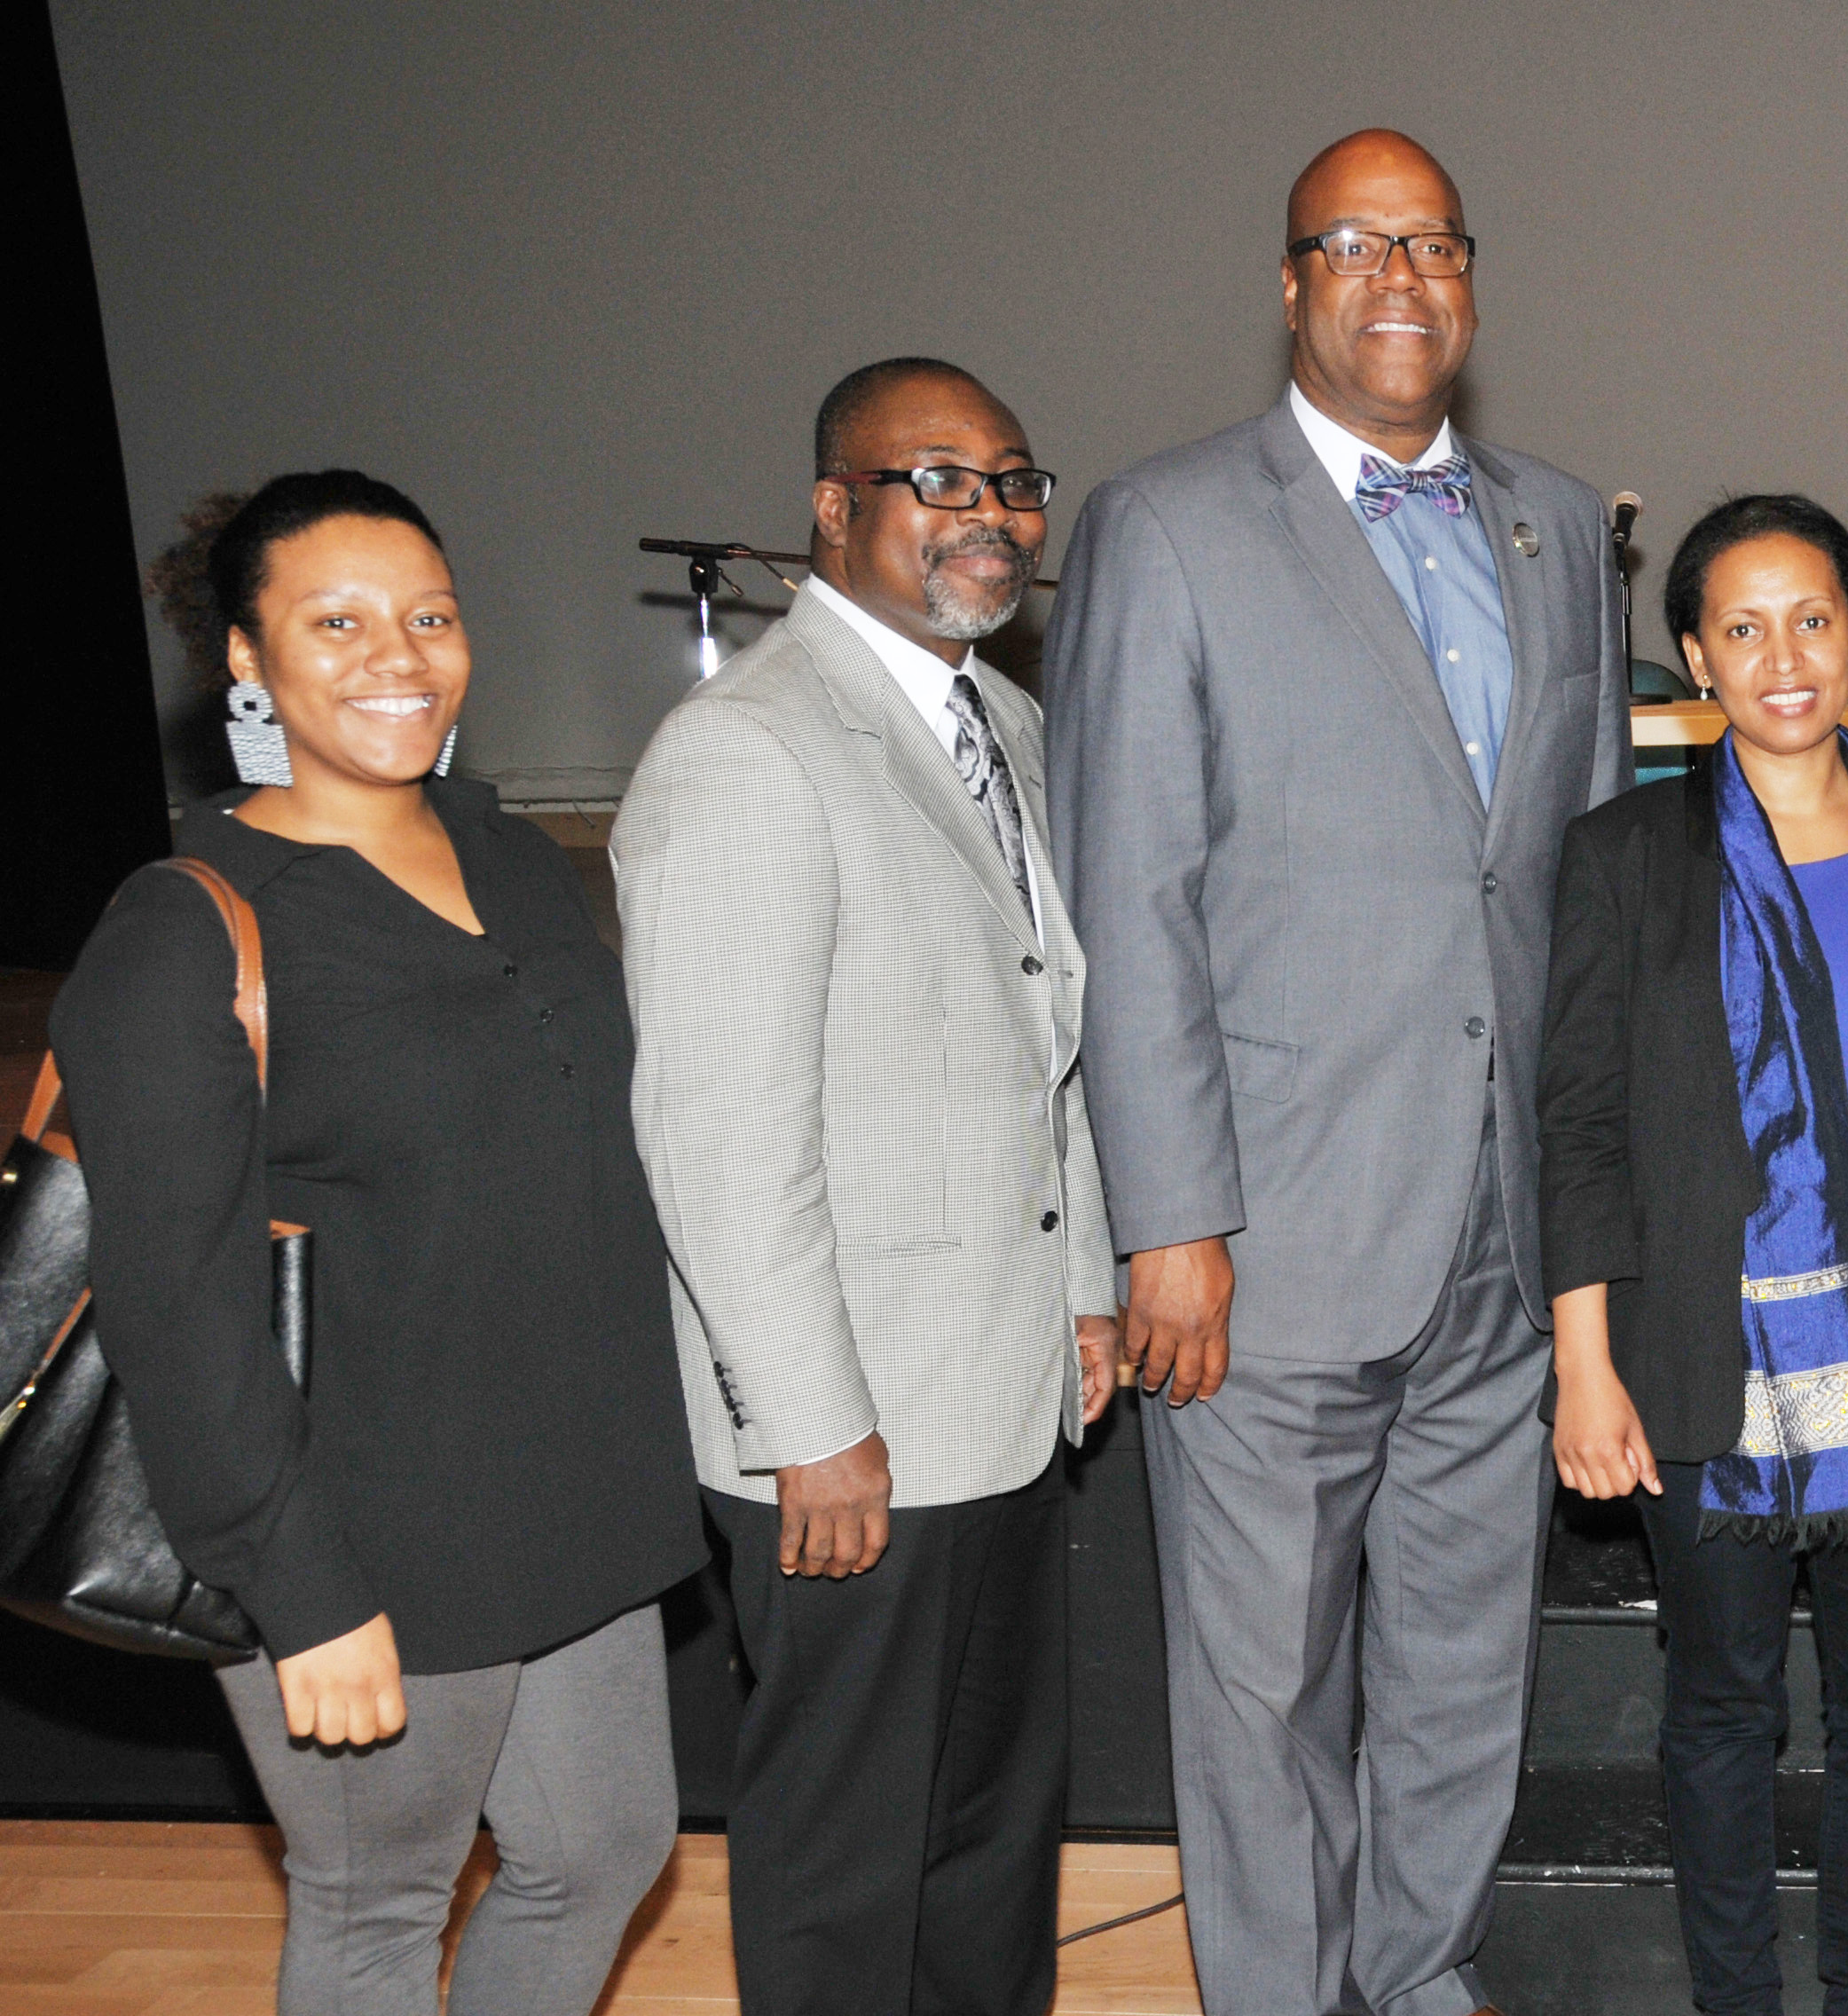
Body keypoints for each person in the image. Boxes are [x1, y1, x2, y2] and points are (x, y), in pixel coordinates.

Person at [1040, 129, 1631, 2016]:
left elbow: (1588, 885)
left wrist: (1588, 1220)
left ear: (1473, 278)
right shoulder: (1170, 524)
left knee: (1462, 1670)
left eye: (1434, 242)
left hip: (1500, 1225)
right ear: (1290, 286)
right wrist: (1171, 1218)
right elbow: (1125, 895)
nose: (1400, 278)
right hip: (1269, 1240)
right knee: (1262, 1695)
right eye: (1352, 245)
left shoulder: (1553, 525)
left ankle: (1422, 1973)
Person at [59, 470, 702, 2012]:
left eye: (427, 616)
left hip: (571, 1494)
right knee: (377, 1908)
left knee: (602, 1853)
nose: (397, 657)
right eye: (333, 624)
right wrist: (302, 1590)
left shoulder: (513, 859)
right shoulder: (188, 927)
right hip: (368, 1529)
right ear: (244, 660)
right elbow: (174, 1312)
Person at [612, 358, 1120, 2015]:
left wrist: (1087, 1282)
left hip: (998, 1396)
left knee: (985, 1831)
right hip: (853, 1439)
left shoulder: (1009, 724)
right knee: (845, 1862)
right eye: (941, 480)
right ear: (834, 511)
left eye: (1016, 481)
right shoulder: (745, 752)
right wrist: (808, 1422)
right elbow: (720, 1133)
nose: (991, 514)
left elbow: (1047, 1035)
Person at [1538, 495, 1848, 2016]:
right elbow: (1578, 1124)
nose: (1783, 656)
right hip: (1703, 1374)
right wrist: (1583, 1365)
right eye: (1742, 626)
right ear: (1692, 659)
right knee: (1722, 1717)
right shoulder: (1628, 855)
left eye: (1812, 621)